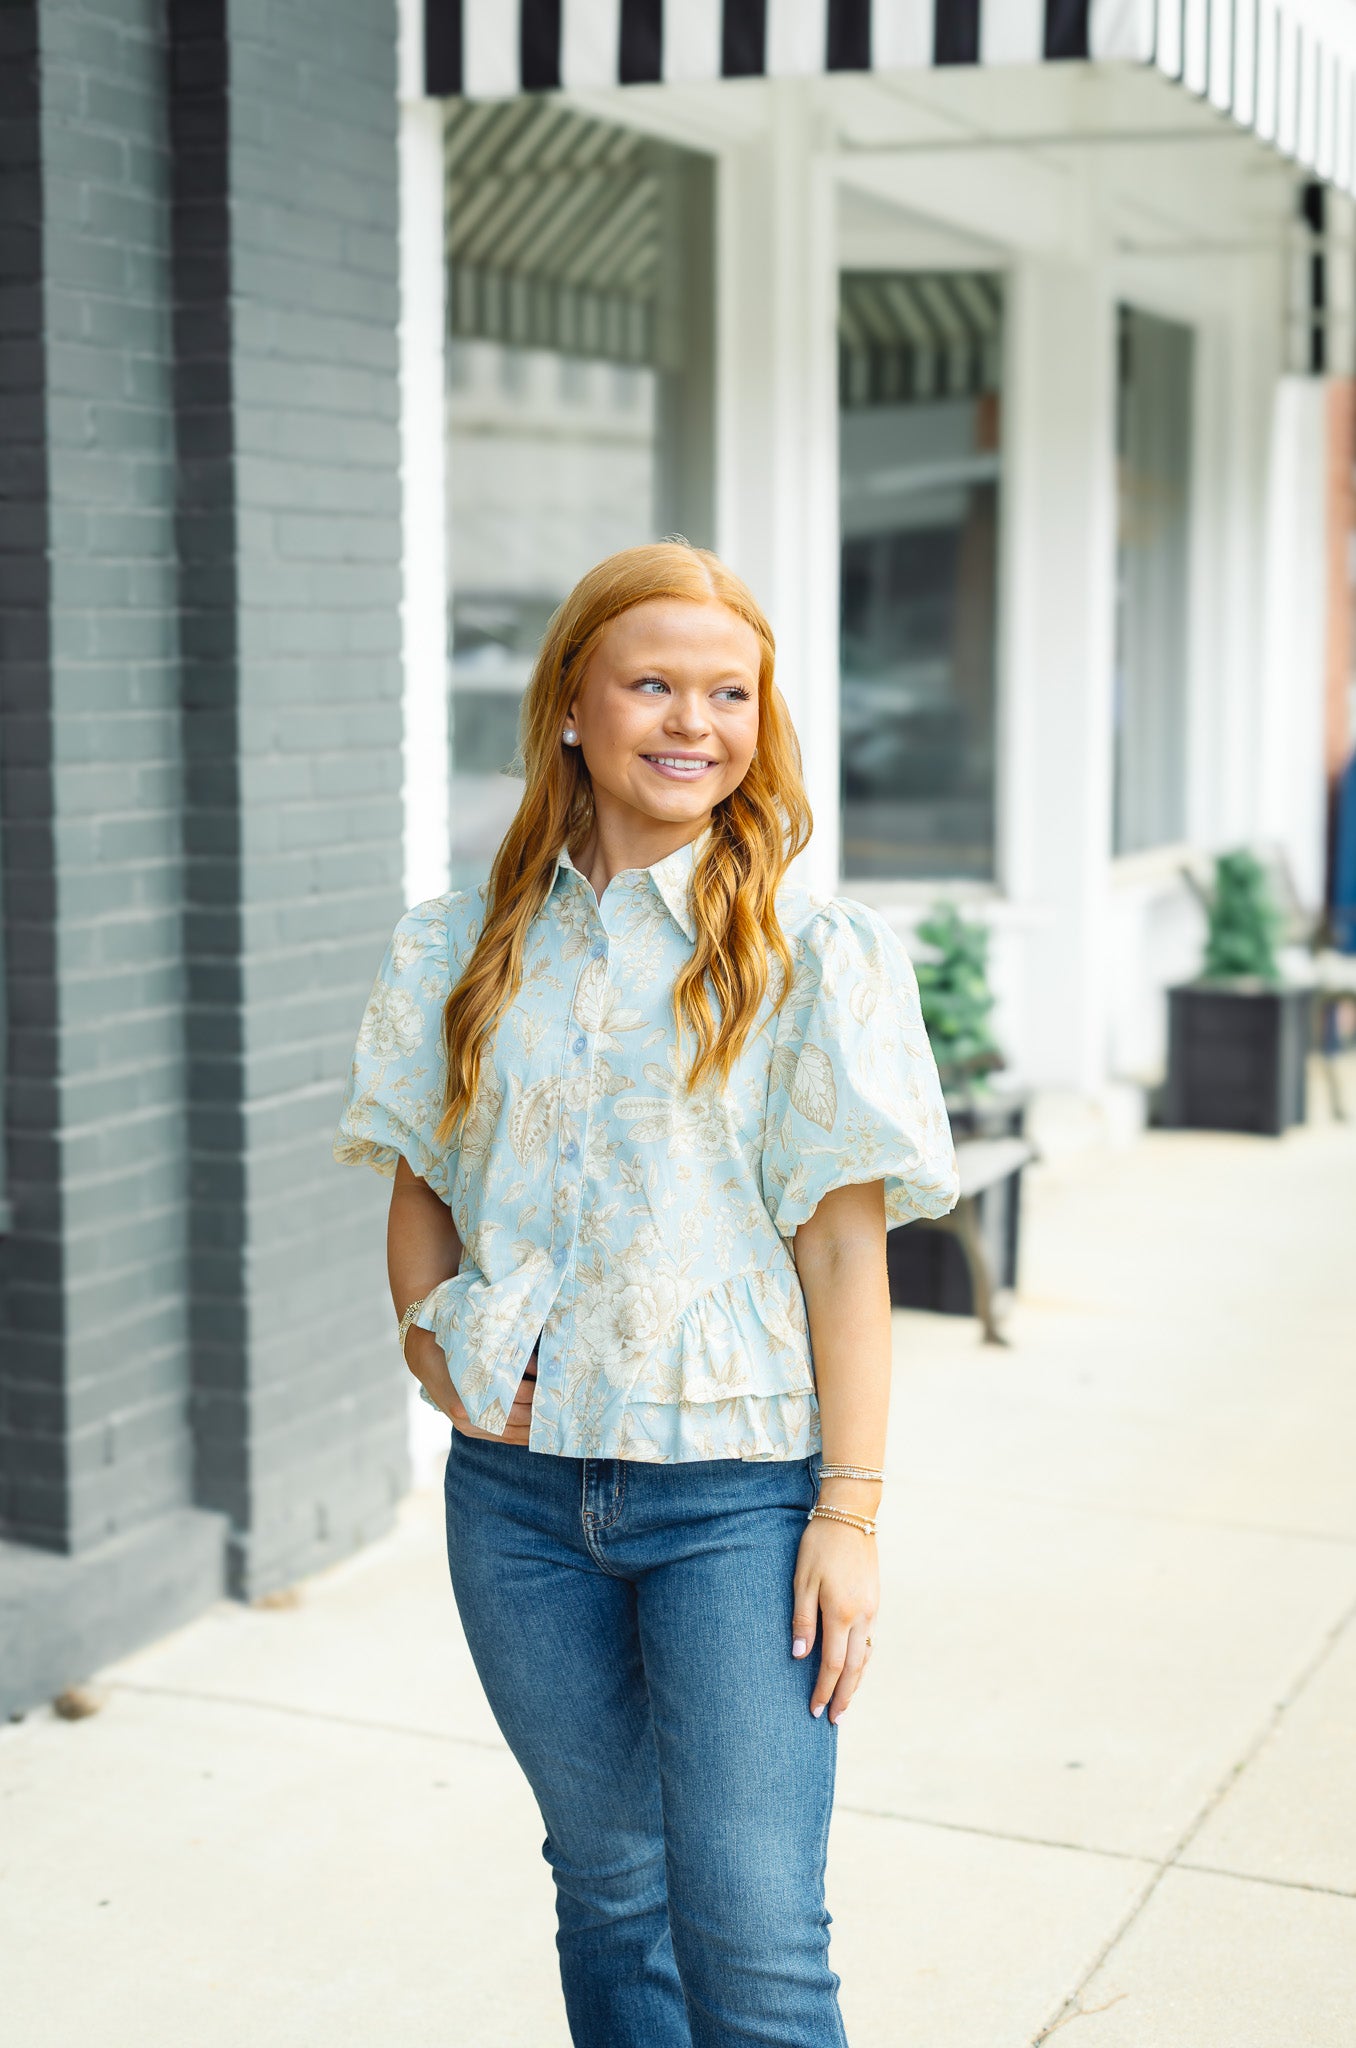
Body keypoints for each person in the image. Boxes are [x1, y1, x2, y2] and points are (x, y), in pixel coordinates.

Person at [334, 542, 958, 2047]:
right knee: (608, 1891)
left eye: (729, 691)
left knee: (753, 1938)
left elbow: (842, 1250)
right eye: (655, 684)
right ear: (571, 706)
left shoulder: (814, 955)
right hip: (519, 1501)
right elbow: (422, 1172)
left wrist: (850, 1516)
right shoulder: (463, 943)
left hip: (738, 1508)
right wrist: (433, 1347)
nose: (695, 721)